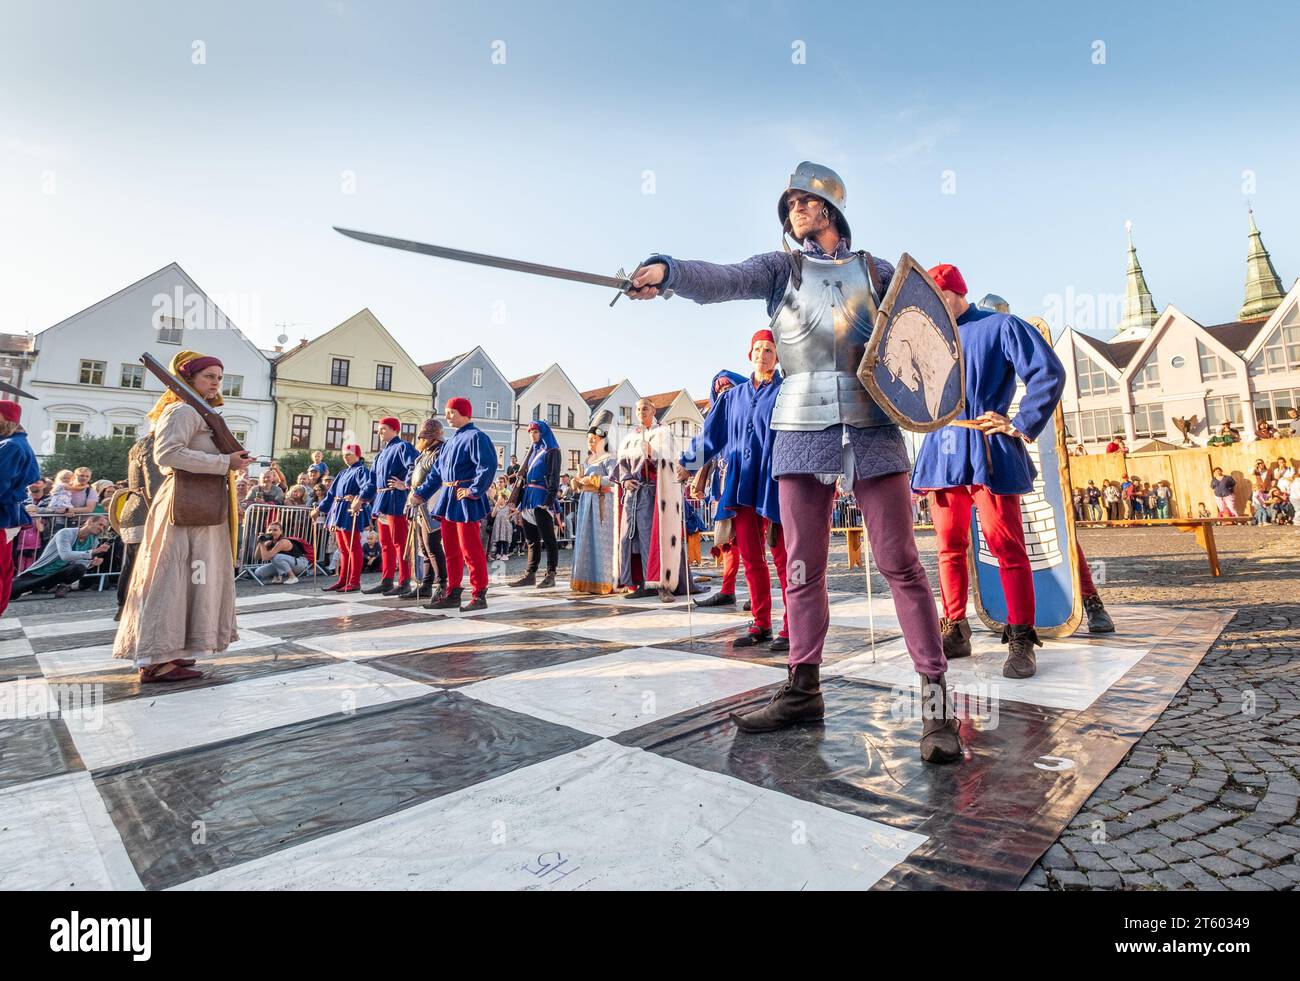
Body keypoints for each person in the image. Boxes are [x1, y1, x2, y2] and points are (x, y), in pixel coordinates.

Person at [626, 161, 959, 761]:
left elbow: (923, 338)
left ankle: (936, 705)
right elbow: (723, 278)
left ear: (829, 207)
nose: (794, 213)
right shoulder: (782, 269)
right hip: (800, 422)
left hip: (875, 421)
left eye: (803, 203)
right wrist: (669, 272)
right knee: (801, 566)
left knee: (900, 561)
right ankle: (804, 686)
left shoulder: (879, 272)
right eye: (789, 208)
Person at [912, 263, 1066, 678]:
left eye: (936, 295)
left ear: (957, 292)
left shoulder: (1001, 326)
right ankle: (956, 626)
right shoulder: (929, 340)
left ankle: (1021, 636)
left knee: (1007, 546)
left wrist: (1020, 423)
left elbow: (1047, 372)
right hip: (942, 449)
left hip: (987, 445)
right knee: (947, 546)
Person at [113, 351, 253, 682]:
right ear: (189, 379)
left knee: (193, 579)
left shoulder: (198, 412)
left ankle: (174, 651)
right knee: (172, 579)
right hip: (184, 504)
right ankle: (156, 658)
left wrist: (229, 460)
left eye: (219, 377)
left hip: (199, 504)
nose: (216, 382)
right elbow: (167, 455)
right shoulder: (182, 410)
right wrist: (224, 463)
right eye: (208, 376)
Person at [678, 329, 790, 650]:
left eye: (769, 350)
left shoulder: (787, 392)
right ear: (749, 354)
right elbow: (712, 437)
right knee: (752, 558)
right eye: (758, 349)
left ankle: (792, 627)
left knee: (783, 557)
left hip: (774, 483)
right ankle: (761, 623)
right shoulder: (732, 397)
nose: (763, 354)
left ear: (778, 356)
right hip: (740, 482)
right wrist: (687, 464)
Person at [428, 398, 497, 612]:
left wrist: (473, 490)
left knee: (470, 548)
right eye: (446, 412)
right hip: (449, 498)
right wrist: (420, 494)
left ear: (464, 413)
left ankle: (479, 594)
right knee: (450, 549)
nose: (447, 416)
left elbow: (487, 466)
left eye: (451, 412)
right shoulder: (450, 442)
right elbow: (437, 473)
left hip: (464, 499)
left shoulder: (476, 437)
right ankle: (453, 592)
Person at [691, 370, 748, 607]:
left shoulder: (748, 417)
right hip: (723, 486)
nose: (724, 394)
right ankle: (728, 588)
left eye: (728, 389)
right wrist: (699, 479)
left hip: (746, 486)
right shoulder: (717, 423)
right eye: (720, 391)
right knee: (727, 541)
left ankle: (758, 596)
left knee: (748, 542)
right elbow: (708, 452)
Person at [612, 398, 662, 598]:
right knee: (627, 539)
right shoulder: (630, 437)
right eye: (639, 409)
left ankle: (651, 583)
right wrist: (624, 481)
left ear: (653, 410)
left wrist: (652, 452)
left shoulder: (662, 433)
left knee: (647, 538)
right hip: (632, 495)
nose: (642, 412)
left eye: (646, 408)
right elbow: (622, 464)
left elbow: (667, 463)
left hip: (650, 493)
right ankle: (634, 581)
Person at [397, 418, 450, 603]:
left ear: (433, 437)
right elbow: (413, 476)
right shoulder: (424, 453)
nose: (422, 439)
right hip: (419, 502)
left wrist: (420, 493)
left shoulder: (440, 452)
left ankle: (442, 585)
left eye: (425, 436)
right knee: (424, 549)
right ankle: (426, 585)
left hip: (431, 502)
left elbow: (435, 479)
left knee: (433, 546)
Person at [113, 432, 165, 620]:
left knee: (132, 562)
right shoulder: (152, 448)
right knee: (143, 562)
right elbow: (154, 487)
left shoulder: (139, 446)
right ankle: (131, 605)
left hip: (132, 509)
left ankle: (123, 604)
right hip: (145, 512)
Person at [364, 417, 418, 596]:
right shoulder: (379, 455)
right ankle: (386, 580)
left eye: (384, 428)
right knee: (385, 544)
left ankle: (404, 581)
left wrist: (406, 484)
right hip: (382, 500)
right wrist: (362, 498)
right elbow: (371, 480)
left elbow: (415, 465)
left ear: (395, 430)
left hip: (396, 500)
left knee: (400, 543)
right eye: (379, 429)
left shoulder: (403, 447)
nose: (380, 432)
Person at [508, 420, 563, 588]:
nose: (533, 435)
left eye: (536, 432)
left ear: (543, 432)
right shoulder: (532, 450)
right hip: (528, 498)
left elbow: (554, 476)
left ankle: (550, 574)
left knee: (548, 539)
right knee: (531, 540)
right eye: (531, 432)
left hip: (542, 497)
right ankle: (530, 574)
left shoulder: (552, 451)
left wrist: (549, 499)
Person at [313, 444, 373, 592]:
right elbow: (331, 494)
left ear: (358, 455)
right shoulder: (342, 473)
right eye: (344, 454)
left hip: (350, 510)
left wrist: (358, 497)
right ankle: (342, 579)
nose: (345, 457)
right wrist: (319, 509)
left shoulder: (361, 470)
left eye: (349, 454)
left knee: (353, 546)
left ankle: (354, 581)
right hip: (338, 509)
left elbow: (368, 486)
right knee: (343, 548)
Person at [0, 401, 42, 615]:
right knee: (4, 567)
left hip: (3, 514)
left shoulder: (11, 446)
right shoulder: (14, 444)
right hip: (7, 515)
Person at [570, 420, 619, 594]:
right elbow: (581, 481)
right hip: (586, 502)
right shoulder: (588, 459)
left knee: (600, 542)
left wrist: (592, 480)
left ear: (603, 440)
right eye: (589, 439)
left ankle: (605, 579)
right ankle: (586, 579)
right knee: (585, 540)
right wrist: (576, 481)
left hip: (601, 502)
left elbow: (615, 479)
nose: (591, 442)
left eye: (594, 439)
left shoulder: (610, 458)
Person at [12, 515, 111, 600]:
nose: (101, 529)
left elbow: (82, 561)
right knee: (10, 592)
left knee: (79, 568)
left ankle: (63, 585)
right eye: (100, 524)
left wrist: (91, 563)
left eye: (104, 527)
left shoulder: (94, 541)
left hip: (59, 573)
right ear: (89, 522)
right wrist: (92, 552)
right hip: (39, 572)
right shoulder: (65, 533)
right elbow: (65, 555)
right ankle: (32, 587)